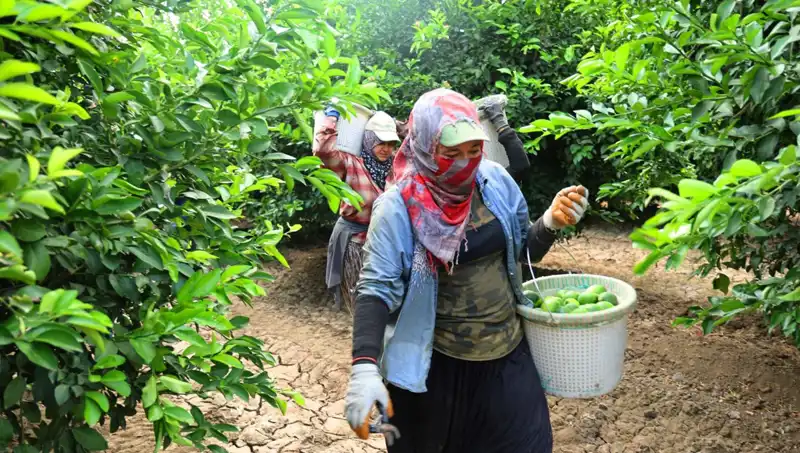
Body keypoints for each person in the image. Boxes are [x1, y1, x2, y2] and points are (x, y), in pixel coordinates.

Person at [343, 88, 590, 453]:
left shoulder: (495, 182)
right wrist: (364, 366)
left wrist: (549, 223)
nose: (465, 162)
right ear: (426, 147)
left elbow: (519, 255)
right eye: (451, 153)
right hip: (437, 369)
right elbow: (376, 289)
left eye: (473, 150)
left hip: (506, 356)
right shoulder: (398, 207)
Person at [313, 106, 401, 313]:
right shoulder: (352, 164)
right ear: (369, 139)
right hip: (355, 242)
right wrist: (330, 120)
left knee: (386, 303)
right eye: (381, 142)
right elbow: (323, 152)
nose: (386, 149)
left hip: (383, 243)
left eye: (390, 144)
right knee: (361, 303)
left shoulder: (396, 166)